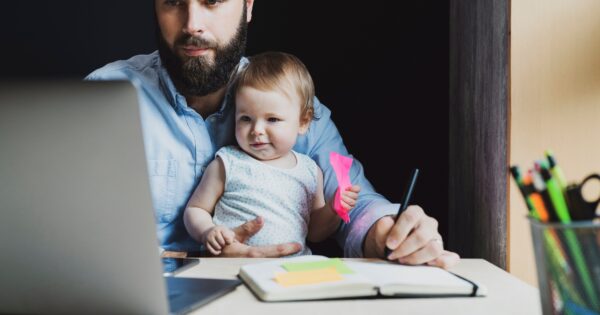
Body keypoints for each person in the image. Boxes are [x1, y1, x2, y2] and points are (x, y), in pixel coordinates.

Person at [86, 0, 459, 268]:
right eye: (172, 2)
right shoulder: (102, 97)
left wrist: (387, 232)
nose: (191, 24)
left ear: (248, 6)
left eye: (212, 1)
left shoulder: (288, 102)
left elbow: (354, 200)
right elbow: (65, 234)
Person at [183, 52, 361, 256]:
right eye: (246, 118)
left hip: (291, 270)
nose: (257, 130)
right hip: (232, 265)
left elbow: (315, 233)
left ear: (303, 122)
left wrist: (333, 209)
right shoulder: (228, 162)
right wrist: (207, 231)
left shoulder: (310, 172)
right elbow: (195, 209)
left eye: (273, 119)